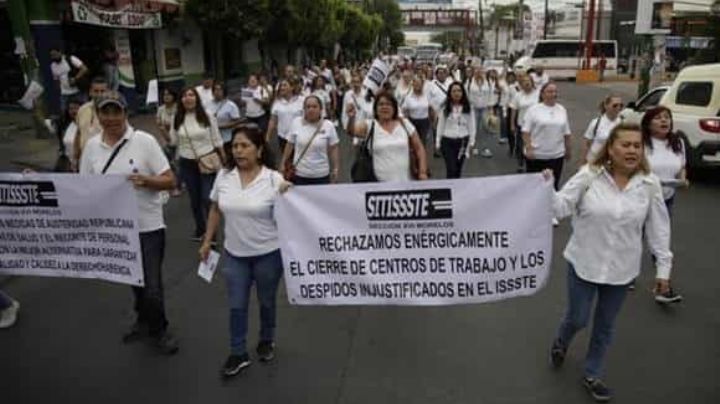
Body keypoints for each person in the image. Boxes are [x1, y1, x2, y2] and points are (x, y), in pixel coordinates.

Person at [546, 123, 674, 402]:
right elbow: (560, 207)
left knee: (605, 326)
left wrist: (663, 270)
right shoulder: (589, 176)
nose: (632, 150)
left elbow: (659, 230)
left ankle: (592, 373)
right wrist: (546, 187)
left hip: (621, 270)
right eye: (625, 145)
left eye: (637, 146)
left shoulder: (649, 184)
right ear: (611, 148)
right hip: (584, 262)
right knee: (578, 318)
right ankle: (561, 341)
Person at [79, 91, 179, 354]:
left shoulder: (144, 141)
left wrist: (146, 181)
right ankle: (143, 321)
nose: (111, 118)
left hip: (148, 227)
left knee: (153, 287)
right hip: (117, 230)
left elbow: (170, 180)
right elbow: (82, 187)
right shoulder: (91, 147)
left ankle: (160, 330)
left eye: (116, 112)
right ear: (98, 115)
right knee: (136, 283)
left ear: (125, 113)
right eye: (105, 112)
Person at [199, 125, 289, 377]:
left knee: (266, 301)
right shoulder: (224, 176)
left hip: (268, 255)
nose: (238, 150)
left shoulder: (273, 179)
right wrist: (208, 241)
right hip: (234, 255)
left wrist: (290, 194)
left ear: (259, 150)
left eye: (245, 145)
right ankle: (238, 352)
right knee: (237, 305)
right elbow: (216, 209)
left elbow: (293, 211)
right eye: (235, 146)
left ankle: (266, 339)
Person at [642, 106, 687, 303]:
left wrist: (683, 179)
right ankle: (623, 274)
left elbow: (682, 167)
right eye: (659, 118)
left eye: (667, 118)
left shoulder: (678, 142)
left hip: (666, 199)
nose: (664, 121)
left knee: (661, 241)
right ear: (648, 123)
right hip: (640, 198)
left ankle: (663, 285)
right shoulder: (642, 143)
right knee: (633, 238)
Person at [171, 87, 225, 241]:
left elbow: (216, 138)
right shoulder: (178, 117)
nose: (188, 98)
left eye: (191, 95)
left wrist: (224, 158)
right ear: (181, 100)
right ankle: (200, 229)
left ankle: (211, 234)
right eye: (184, 95)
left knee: (207, 198)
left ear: (196, 98)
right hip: (187, 163)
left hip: (207, 161)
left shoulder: (206, 115)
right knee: (194, 199)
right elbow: (174, 140)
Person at [347, 91, 429, 182]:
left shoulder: (404, 123)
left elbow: (419, 148)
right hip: (378, 186)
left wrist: (422, 172)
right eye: (381, 104)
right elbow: (351, 131)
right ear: (376, 109)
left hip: (405, 182)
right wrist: (351, 118)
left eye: (388, 104)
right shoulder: (370, 125)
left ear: (394, 108)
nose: (384, 107)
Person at [522, 82, 572, 191]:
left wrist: (568, 150)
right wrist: (529, 148)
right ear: (542, 94)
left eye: (555, 92)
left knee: (552, 185)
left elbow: (566, 132)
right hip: (537, 156)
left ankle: (551, 207)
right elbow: (526, 131)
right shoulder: (533, 110)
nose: (553, 94)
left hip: (556, 155)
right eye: (550, 92)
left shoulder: (562, 109)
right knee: (534, 187)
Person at [280, 95, 340, 185]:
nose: (311, 109)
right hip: (300, 174)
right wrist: (283, 163)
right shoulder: (296, 123)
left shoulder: (328, 125)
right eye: (308, 107)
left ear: (320, 109)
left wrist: (336, 168)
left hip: (321, 175)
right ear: (304, 109)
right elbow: (290, 145)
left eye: (314, 107)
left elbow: (334, 148)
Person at [436, 82, 476, 179]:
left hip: (462, 141)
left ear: (463, 93)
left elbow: (472, 125)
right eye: (454, 91)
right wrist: (437, 142)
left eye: (459, 91)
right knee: (451, 168)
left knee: (458, 169)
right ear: (450, 93)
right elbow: (440, 125)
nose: (456, 93)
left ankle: (456, 190)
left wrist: (472, 142)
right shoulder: (445, 108)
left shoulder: (468, 107)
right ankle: (449, 189)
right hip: (447, 141)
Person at [73, 77, 109, 164]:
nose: (99, 94)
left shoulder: (113, 112)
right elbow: (78, 134)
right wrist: (75, 157)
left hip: (104, 159)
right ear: (90, 92)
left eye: (102, 91)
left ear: (107, 92)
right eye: (96, 91)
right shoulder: (82, 110)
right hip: (84, 159)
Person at [580, 95, 623, 165]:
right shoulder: (596, 122)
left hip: (613, 162)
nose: (618, 108)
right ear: (606, 106)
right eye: (615, 105)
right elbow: (586, 143)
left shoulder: (622, 123)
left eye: (621, 105)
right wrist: (583, 163)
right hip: (595, 161)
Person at [156, 88, 182, 197]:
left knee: (178, 164)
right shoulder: (161, 109)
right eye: (165, 95)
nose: (166, 97)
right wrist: (162, 126)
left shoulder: (179, 108)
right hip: (165, 140)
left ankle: (179, 184)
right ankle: (174, 186)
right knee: (168, 164)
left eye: (169, 94)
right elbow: (158, 122)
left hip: (179, 140)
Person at [510, 74, 539, 172]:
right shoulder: (518, 95)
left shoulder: (538, 94)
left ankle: (532, 162)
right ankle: (520, 162)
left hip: (535, 125)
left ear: (532, 83)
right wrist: (512, 124)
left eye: (528, 81)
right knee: (520, 145)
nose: (527, 83)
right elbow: (514, 110)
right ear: (521, 84)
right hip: (522, 124)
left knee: (533, 144)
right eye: (524, 81)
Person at [266, 78, 304, 152]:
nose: (282, 88)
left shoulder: (302, 100)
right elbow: (273, 121)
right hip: (283, 137)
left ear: (292, 87)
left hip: (299, 136)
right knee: (286, 160)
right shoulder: (277, 103)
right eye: (281, 86)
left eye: (285, 85)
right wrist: (268, 136)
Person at [401, 75, 434, 153]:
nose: (417, 85)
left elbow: (431, 109)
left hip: (424, 122)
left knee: (422, 144)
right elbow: (404, 111)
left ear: (422, 85)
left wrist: (432, 122)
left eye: (419, 84)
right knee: (414, 144)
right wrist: (405, 123)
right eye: (415, 83)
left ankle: (422, 162)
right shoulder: (408, 97)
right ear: (413, 85)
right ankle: (415, 162)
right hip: (413, 122)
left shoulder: (427, 96)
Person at [465, 66, 493, 158]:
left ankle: (485, 148)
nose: (479, 72)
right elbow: (465, 95)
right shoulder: (469, 82)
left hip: (485, 108)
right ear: (474, 72)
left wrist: (491, 108)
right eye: (477, 71)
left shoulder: (488, 82)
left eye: (481, 71)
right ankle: (474, 146)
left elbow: (491, 95)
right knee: (474, 128)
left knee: (485, 128)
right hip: (473, 108)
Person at [50, 47, 88, 111]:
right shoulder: (53, 66)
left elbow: (84, 69)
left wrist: (75, 78)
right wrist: (59, 88)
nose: (54, 57)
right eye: (52, 56)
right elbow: (56, 79)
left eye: (55, 54)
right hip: (65, 93)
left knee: (84, 110)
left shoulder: (70, 59)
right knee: (64, 111)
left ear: (60, 53)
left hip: (77, 91)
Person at [341, 73, 373, 146]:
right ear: (352, 83)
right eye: (354, 82)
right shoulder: (348, 94)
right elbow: (344, 111)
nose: (356, 84)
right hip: (352, 124)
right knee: (355, 147)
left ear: (361, 83)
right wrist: (345, 126)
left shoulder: (366, 94)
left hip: (364, 125)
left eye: (358, 82)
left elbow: (370, 109)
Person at [208, 82, 242, 146]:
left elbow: (237, 121)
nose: (217, 92)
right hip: (211, 139)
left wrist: (222, 126)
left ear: (224, 91)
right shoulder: (208, 104)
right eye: (215, 89)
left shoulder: (231, 105)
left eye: (219, 90)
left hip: (226, 138)